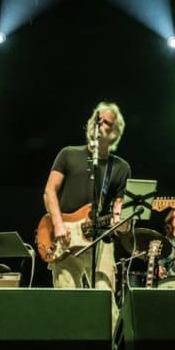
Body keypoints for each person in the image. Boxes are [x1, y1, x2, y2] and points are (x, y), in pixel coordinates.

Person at [43, 102, 130, 327]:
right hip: (65, 237)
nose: (99, 124)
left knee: (106, 300)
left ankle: (110, 346)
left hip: (101, 239)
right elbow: (50, 191)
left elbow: (119, 209)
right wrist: (58, 224)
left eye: (106, 122)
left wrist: (121, 224)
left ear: (115, 132)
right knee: (66, 298)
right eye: (97, 119)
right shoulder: (68, 154)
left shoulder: (120, 168)